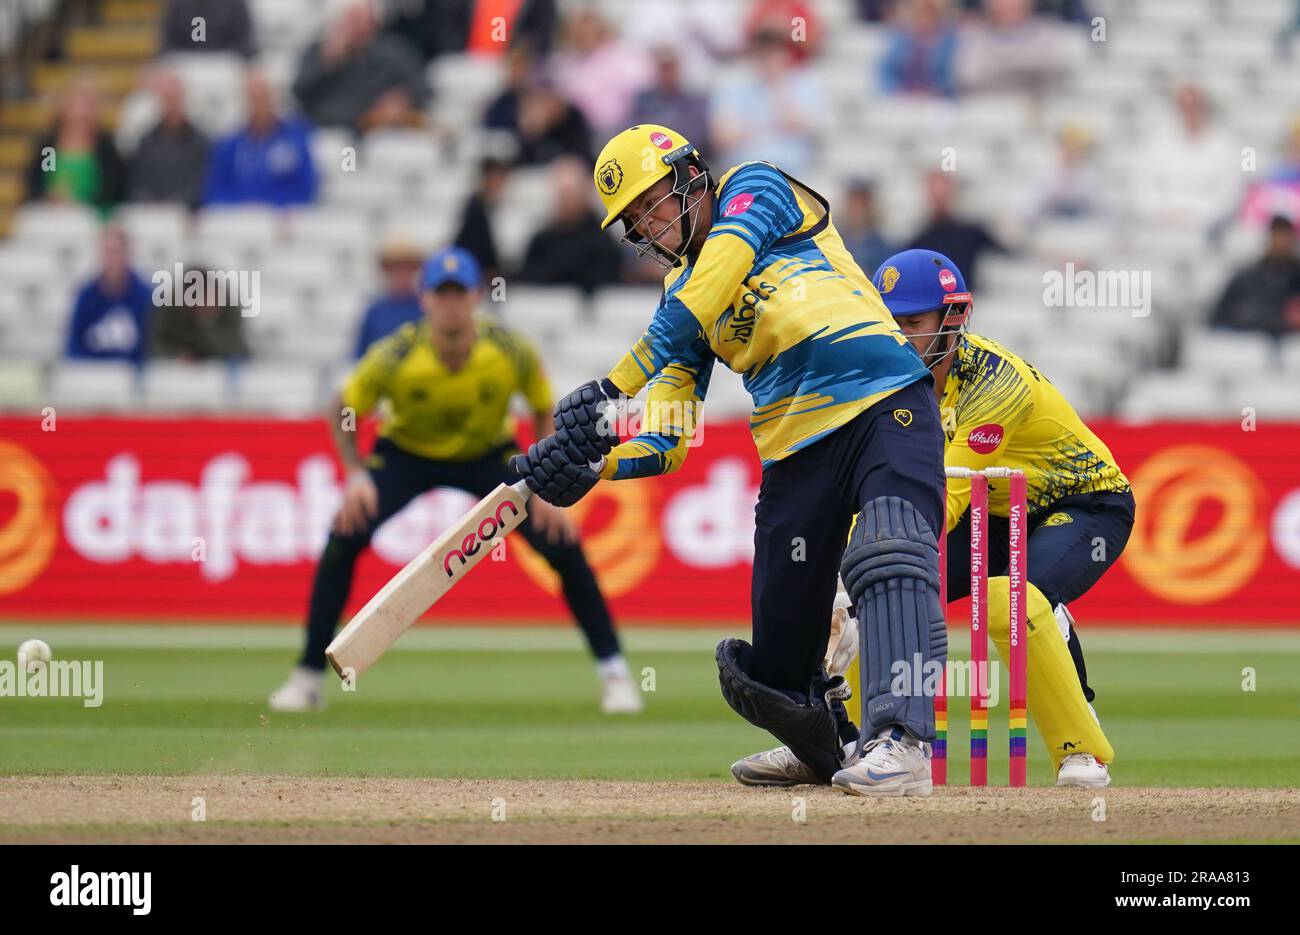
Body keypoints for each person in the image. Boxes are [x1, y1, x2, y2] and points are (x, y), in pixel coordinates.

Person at [510, 124, 947, 797]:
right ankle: (826, 746)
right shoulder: (679, 299)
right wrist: (597, 464)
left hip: (884, 400)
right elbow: (669, 434)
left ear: (690, 175)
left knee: (888, 551)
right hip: (795, 451)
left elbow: (712, 286)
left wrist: (613, 387)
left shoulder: (757, 187)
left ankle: (903, 742)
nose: (649, 228)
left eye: (651, 204)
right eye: (634, 222)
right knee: (772, 662)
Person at [269, 247, 639, 715]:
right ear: (424, 298)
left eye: (459, 293)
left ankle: (615, 675)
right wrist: (356, 475)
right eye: (440, 294)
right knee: (344, 534)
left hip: (489, 455)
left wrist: (547, 481)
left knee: (560, 543)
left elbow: (543, 404)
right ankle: (306, 678)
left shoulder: (508, 350)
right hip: (407, 454)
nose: (450, 304)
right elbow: (342, 409)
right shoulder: (396, 354)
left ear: (475, 297)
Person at [872, 247, 1130, 788]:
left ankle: (1082, 750)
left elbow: (942, 503)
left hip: (1082, 502)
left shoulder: (995, 384)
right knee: (881, 592)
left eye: (913, 322)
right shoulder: (887, 378)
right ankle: (860, 743)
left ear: (953, 318)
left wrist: (878, 544)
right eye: (890, 321)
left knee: (1012, 601)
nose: (900, 336)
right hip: (995, 508)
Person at [292, 0, 429, 133]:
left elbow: (422, 86)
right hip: (330, 129)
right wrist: (325, 64)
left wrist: (404, 98)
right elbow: (300, 92)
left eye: (360, 18)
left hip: (380, 130)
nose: (355, 25)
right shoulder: (320, 51)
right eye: (351, 18)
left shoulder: (394, 51)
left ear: (374, 21)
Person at [204, 71, 318, 207]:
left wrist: (270, 204)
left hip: (281, 220)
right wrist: (243, 204)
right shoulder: (229, 145)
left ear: (275, 100)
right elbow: (216, 191)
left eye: (264, 99)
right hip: (239, 220)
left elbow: (305, 187)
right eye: (253, 100)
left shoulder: (295, 140)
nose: (259, 106)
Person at [518, 157, 622, 293]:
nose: (566, 202)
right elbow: (529, 279)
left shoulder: (602, 240)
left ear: (584, 194)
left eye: (570, 194)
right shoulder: (541, 240)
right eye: (562, 195)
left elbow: (606, 280)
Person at [25, 78, 126, 214]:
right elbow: (43, 178)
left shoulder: (104, 145)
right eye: (76, 105)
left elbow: (113, 184)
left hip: (93, 212)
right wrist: (50, 196)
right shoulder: (51, 145)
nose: (81, 113)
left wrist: (86, 202)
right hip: (55, 212)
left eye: (87, 105)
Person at [65, 226, 153, 364]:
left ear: (127, 254)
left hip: (130, 377)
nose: (111, 259)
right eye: (107, 252)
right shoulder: (86, 295)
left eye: (116, 252)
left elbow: (149, 346)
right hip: (92, 375)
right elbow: (74, 344)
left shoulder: (145, 295)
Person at [126, 70, 210, 208]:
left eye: (175, 100)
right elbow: (138, 184)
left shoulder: (201, 142)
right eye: (167, 100)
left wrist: (179, 202)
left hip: (187, 216)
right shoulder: (146, 142)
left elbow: (202, 183)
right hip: (152, 215)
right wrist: (150, 203)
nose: (171, 106)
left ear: (183, 100)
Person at [1209, 215, 1300, 337]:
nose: (1280, 242)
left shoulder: (1296, 279)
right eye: (1276, 235)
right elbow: (1219, 317)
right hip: (1248, 343)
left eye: (1285, 236)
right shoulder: (1246, 278)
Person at [353, 232, 425, 357]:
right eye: (395, 267)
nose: (401, 273)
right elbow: (360, 356)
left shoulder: (425, 307)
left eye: (406, 266)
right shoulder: (375, 311)